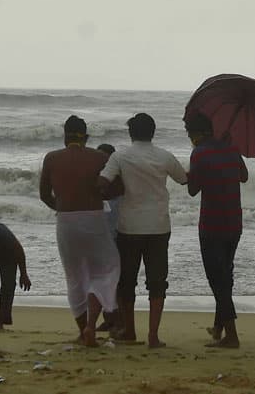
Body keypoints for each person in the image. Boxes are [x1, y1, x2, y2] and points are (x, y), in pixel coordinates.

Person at [98, 113, 187, 348]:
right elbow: (184, 180)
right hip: (158, 225)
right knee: (157, 282)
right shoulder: (165, 156)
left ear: (130, 133)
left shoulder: (120, 156)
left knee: (126, 282)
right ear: (153, 132)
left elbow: (103, 183)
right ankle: (153, 336)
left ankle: (129, 331)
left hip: (130, 226)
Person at [39, 115, 120, 346]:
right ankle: (91, 326)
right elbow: (116, 188)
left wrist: (63, 207)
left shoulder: (52, 158)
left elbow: (44, 195)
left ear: (65, 136)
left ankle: (81, 330)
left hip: (65, 221)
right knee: (105, 270)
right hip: (94, 219)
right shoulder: (100, 157)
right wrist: (98, 196)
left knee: (74, 277)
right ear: (86, 137)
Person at [184, 112, 248, 348]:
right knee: (226, 275)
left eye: (189, 133)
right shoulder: (232, 149)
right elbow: (244, 176)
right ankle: (219, 328)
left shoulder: (199, 153)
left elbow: (192, 190)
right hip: (234, 223)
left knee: (217, 279)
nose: (189, 137)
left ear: (197, 133)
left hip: (212, 224)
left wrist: (190, 175)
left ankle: (232, 336)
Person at [95, 142, 121, 333]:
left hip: (119, 236)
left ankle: (118, 320)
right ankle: (109, 318)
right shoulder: (96, 180)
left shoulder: (119, 181)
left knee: (118, 281)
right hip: (101, 237)